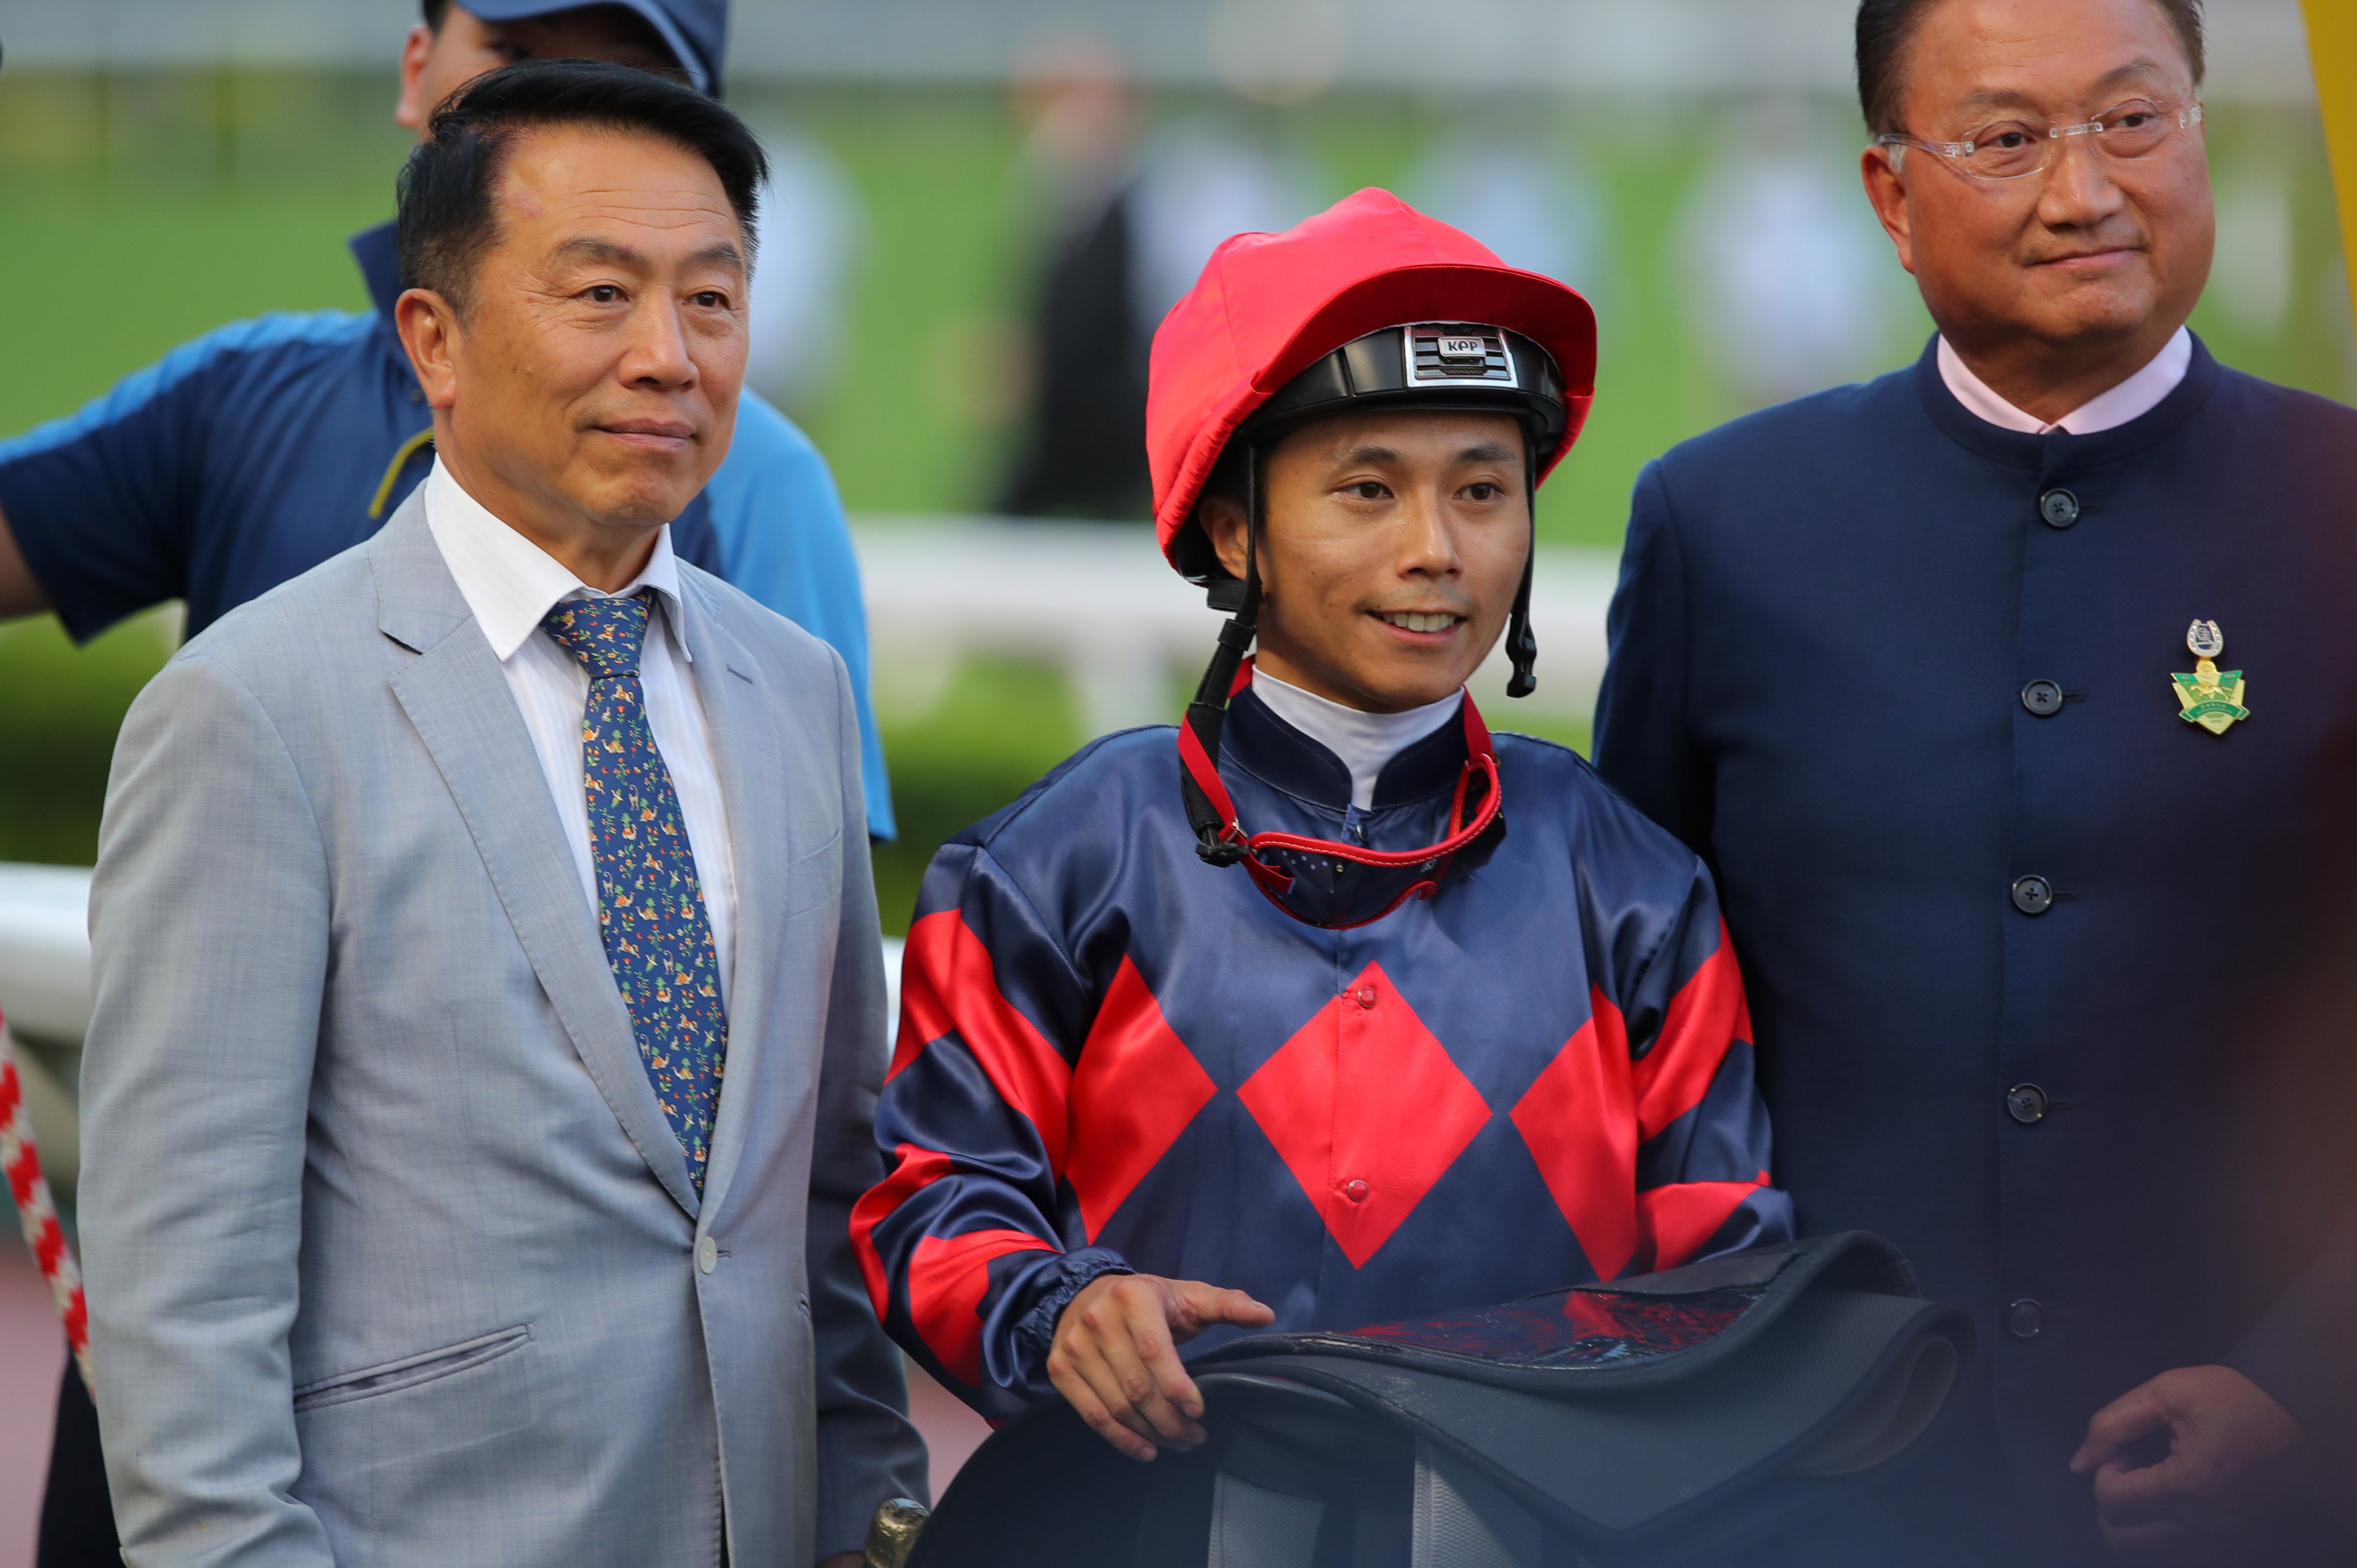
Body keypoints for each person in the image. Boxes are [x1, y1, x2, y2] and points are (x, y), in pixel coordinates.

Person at [75, 62, 922, 1567]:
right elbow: (183, 1320)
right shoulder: (255, 714)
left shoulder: (795, 692)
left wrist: (870, 1512)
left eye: (711, 302)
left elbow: (822, 1211)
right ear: (435, 339)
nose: (668, 355)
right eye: (601, 294)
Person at [852, 189, 1793, 1462]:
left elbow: (1723, 1270)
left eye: (1479, 490)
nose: (1435, 549)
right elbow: (927, 1205)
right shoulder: (1050, 863)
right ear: (1234, 531)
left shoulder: (1633, 886)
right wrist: (1061, 1307)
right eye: (1365, 489)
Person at [1591, 0, 2357, 1561]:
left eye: (2134, 120)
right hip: (1811, 1484)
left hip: (2251, 1493)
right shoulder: (1728, 525)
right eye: (2009, 139)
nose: (2085, 190)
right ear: (1889, 192)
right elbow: (1627, 1028)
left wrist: (2313, 1387)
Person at [0, 0, 892, 847]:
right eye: (516, 59)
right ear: (417, 69)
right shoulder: (242, 400)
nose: (559, 108)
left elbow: (796, 916)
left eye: (624, 76)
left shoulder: (752, 473)